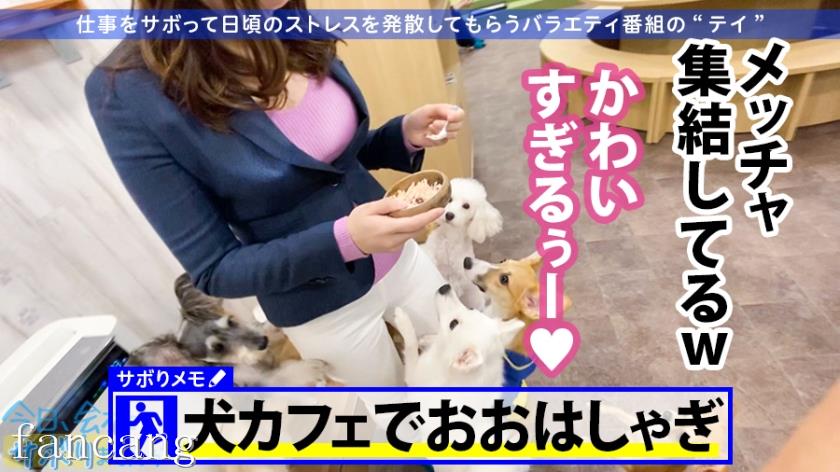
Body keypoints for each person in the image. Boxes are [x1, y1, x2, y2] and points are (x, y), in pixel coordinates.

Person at [85, 0, 466, 386]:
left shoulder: (283, 14)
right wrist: (345, 240)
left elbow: (323, 162)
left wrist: (398, 136)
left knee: (469, 369)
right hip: (324, 305)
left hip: (401, 256)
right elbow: (216, 268)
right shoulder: (125, 92)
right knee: (396, 412)